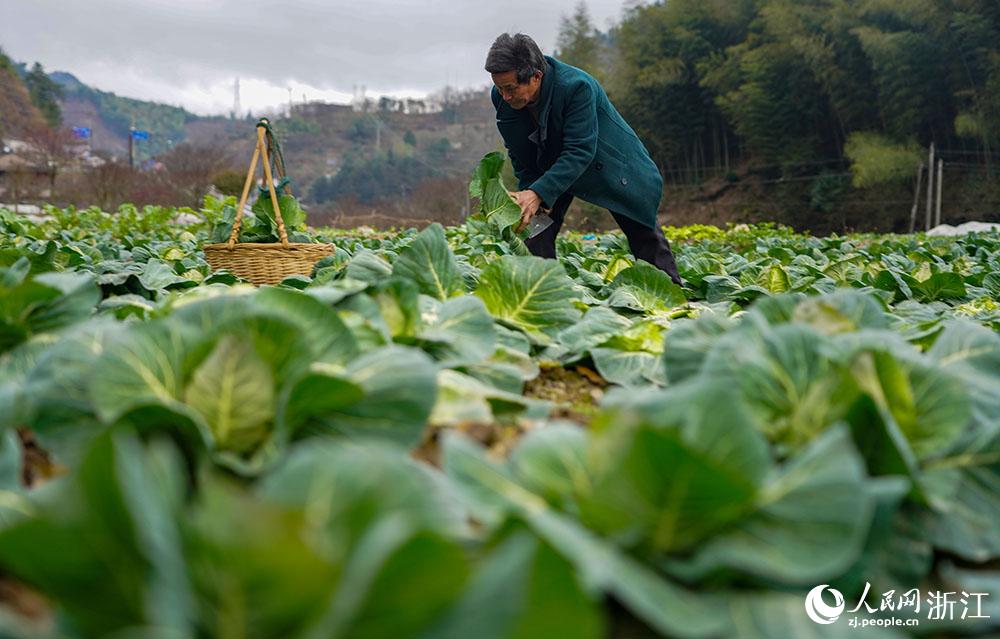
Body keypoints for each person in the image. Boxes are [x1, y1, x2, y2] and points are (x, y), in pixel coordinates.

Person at [485, 32, 683, 286]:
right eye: (499, 88)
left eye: (511, 88)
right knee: (535, 232)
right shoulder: (502, 97)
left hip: (606, 164)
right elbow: (519, 151)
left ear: (536, 76)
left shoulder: (576, 87)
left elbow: (580, 151)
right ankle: (544, 294)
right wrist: (530, 194)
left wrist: (538, 192)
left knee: (643, 232)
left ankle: (672, 295)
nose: (505, 97)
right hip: (551, 168)